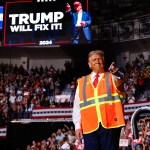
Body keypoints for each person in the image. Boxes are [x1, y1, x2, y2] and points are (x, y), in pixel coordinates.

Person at [72, 50, 125, 150]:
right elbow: (77, 106)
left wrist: (116, 72)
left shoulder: (112, 76)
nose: (97, 61)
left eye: (99, 59)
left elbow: (120, 80)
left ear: (103, 62)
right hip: (89, 126)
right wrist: (77, 126)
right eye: (94, 59)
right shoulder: (81, 82)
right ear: (89, 64)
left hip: (110, 124)